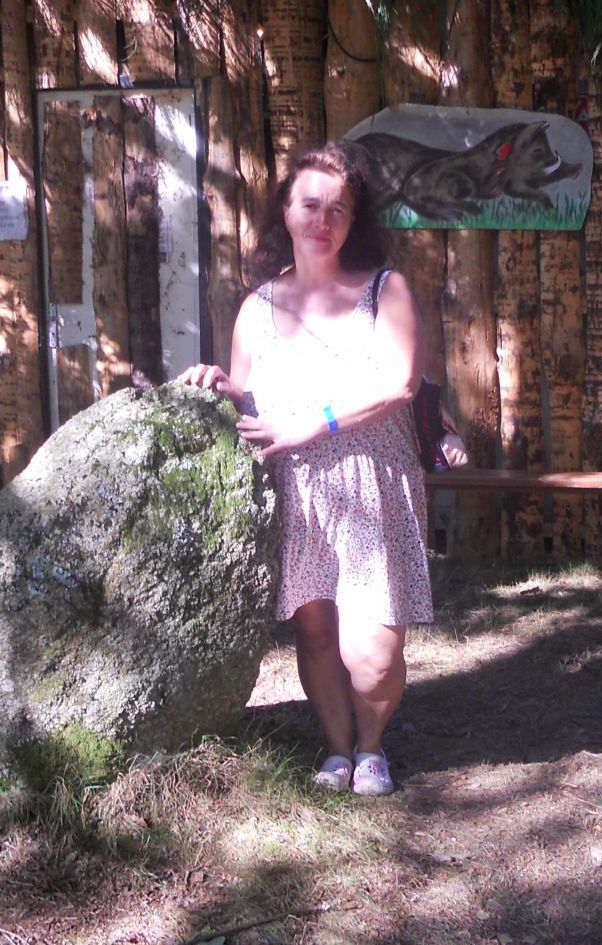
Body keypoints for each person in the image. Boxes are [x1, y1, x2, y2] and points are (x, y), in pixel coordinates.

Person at [178, 142, 433, 796]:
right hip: (295, 488)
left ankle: (374, 743)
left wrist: (310, 424)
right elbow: (248, 399)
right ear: (286, 212)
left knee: (372, 652)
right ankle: (342, 751)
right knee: (315, 632)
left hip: (373, 484)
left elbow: (401, 384)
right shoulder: (258, 306)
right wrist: (219, 384)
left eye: (338, 209)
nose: (323, 219)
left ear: (354, 221)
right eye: (311, 205)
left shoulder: (384, 289)